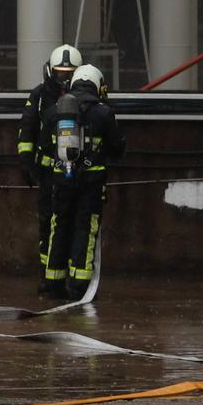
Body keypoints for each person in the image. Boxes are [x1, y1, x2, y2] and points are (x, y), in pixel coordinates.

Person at [41, 63, 124, 301]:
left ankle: (54, 282)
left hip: (61, 180)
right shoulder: (103, 113)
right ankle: (79, 283)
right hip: (91, 181)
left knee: (59, 225)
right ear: (97, 84)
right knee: (85, 228)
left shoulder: (55, 110)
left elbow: (45, 145)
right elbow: (117, 147)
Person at [19, 44, 81, 288]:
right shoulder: (40, 96)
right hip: (47, 174)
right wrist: (26, 162)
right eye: (59, 73)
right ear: (49, 71)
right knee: (48, 222)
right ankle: (50, 274)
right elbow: (28, 128)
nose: (64, 79)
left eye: (69, 74)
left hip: (78, 174)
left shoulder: (83, 97)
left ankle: (71, 274)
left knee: (75, 222)